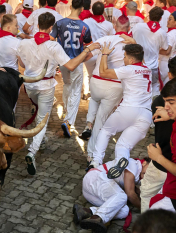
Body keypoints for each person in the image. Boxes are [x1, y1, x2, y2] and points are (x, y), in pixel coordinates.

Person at [17, 12, 100, 175]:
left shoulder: (24, 43)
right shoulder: (54, 46)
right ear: (50, 28)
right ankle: (31, 152)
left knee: (39, 114)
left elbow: (21, 62)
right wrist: (87, 51)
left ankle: (39, 142)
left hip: (29, 86)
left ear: (37, 25)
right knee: (42, 119)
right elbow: (70, 66)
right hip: (46, 85)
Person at [88, 44, 152, 179]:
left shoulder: (128, 69)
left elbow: (103, 72)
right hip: (146, 115)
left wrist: (104, 54)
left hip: (129, 109)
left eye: (125, 57)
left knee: (105, 131)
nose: (123, 59)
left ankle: (95, 162)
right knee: (123, 144)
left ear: (131, 60)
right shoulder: (148, 70)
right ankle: (121, 163)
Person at [82, 16, 132, 165]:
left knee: (95, 99)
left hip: (96, 82)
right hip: (114, 86)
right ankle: (91, 155)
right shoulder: (131, 44)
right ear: (128, 29)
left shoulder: (106, 39)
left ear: (115, 26)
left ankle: (88, 123)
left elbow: (89, 53)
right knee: (102, 122)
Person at [50, 0, 92, 138]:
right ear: (81, 8)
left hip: (63, 62)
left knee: (67, 85)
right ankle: (68, 121)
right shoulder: (84, 26)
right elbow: (88, 47)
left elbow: (51, 40)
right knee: (75, 91)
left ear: (70, 6)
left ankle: (68, 113)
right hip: (76, 62)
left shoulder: (60, 23)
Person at [74, 158, 149, 233]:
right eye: (150, 168)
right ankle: (96, 218)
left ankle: (85, 211)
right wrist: (145, 209)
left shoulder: (139, 175)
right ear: (144, 163)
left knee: (124, 210)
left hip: (91, 193)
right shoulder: (133, 165)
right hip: (95, 178)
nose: (150, 173)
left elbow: (138, 192)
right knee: (122, 196)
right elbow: (130, 194)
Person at [140, 60, 176, 212]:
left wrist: (157, 157)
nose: (166, 107)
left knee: (148, 195)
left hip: (163, 165)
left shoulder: (159, 102)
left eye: (171, 102)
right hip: (167, 175)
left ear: (169, 74)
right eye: (167, 102)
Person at [132, 6, 168, 97]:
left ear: (148, 16)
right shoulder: (162, 33)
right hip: (153, 67)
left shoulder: (138, 27)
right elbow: (165, 48)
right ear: (160, 18)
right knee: (154, 90)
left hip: (138, 64)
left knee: (138, 90)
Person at [159, 12, 176, 85]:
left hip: (166, 63)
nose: (167, 21)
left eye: (170, 19)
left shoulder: (170, 34)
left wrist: (155, 50)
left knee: (164, 86)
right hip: (173, 63)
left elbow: (167, 51)